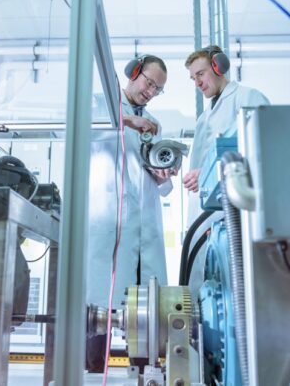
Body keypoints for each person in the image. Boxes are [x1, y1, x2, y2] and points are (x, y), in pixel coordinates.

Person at [86, 54, 175, 372]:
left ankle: (145, 374)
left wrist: (164, 173)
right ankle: (95, 374)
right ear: (133, 73)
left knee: (144, 313)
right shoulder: (102, 103)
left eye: (158, 89)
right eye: (149, 82)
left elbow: (157, 179)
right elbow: (85, 129)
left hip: (145, 226)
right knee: (99, 310)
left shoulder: (154, 123)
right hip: (109, 222)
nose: (151, 91)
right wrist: (129, 121)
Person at [183, 45, 270, 224]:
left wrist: (208, 173)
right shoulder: (203, 118)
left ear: (218, 67)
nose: (197, 83)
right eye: (193, 78)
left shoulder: (246, 97)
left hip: (238, 207)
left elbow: (263, 146)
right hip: (207, 211)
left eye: (200, 74)